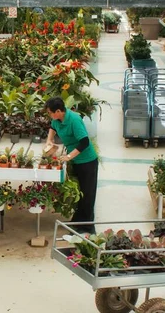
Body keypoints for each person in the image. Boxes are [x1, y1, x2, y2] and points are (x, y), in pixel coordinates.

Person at [45, 97, 98, 234]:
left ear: (58, 111)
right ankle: (77, 222)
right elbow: (52, 128)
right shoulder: (57, 120)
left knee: (88, 195)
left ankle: (87, 228)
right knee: (79, 194)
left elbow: (84, 142)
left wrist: (68, 157)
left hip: (87, 161)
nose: (50, 115)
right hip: (76, 161)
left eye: (50, 112)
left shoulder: (74, 120)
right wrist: (49, 141)